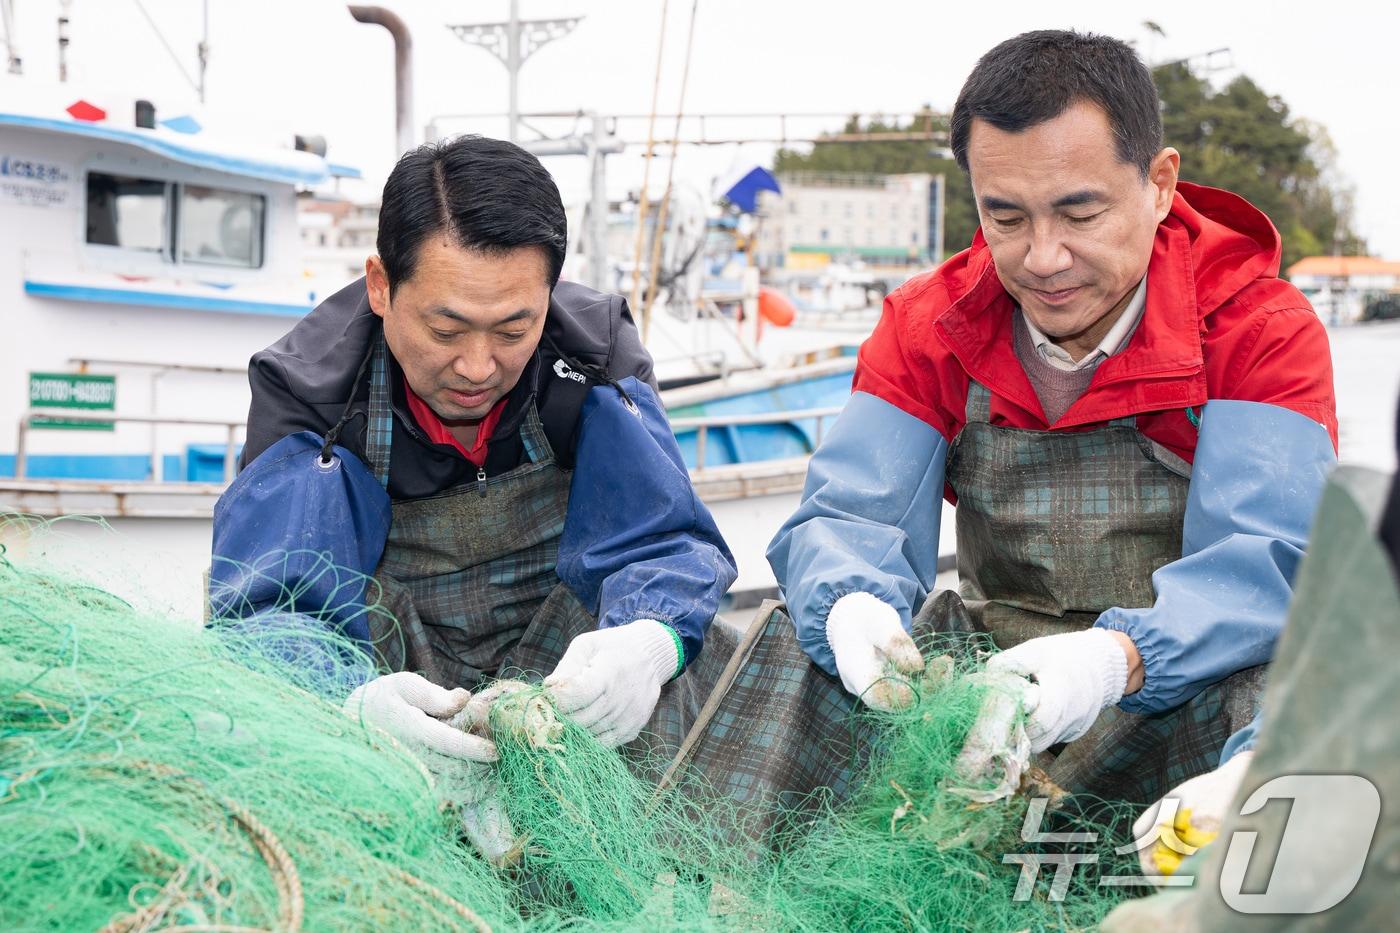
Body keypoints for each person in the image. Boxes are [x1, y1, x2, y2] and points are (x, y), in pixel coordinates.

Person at [767, 30, 1339, 803]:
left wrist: (1112, 659)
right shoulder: (928, 324)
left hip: (1179, 687)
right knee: (794, 648)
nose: (1042, 258)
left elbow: (1268, 562)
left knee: (1298, 683)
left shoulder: (1255, 327)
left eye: (1080, 213)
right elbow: (850, 515)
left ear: (1161, 183)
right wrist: (852, 601)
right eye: (1005, 218)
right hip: (994, 688)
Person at [209, 136, 736, 810]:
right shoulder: (310, 391)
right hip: (395, 677)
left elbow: (663, 541)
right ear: (380, 285)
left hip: (561, 680)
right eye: (447, 329)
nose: (479, 367)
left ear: (549, 296)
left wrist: (649, 639)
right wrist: (346, 703)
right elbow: (269, 612)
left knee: (695, 658)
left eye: (514, 330)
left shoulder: (593, 353)